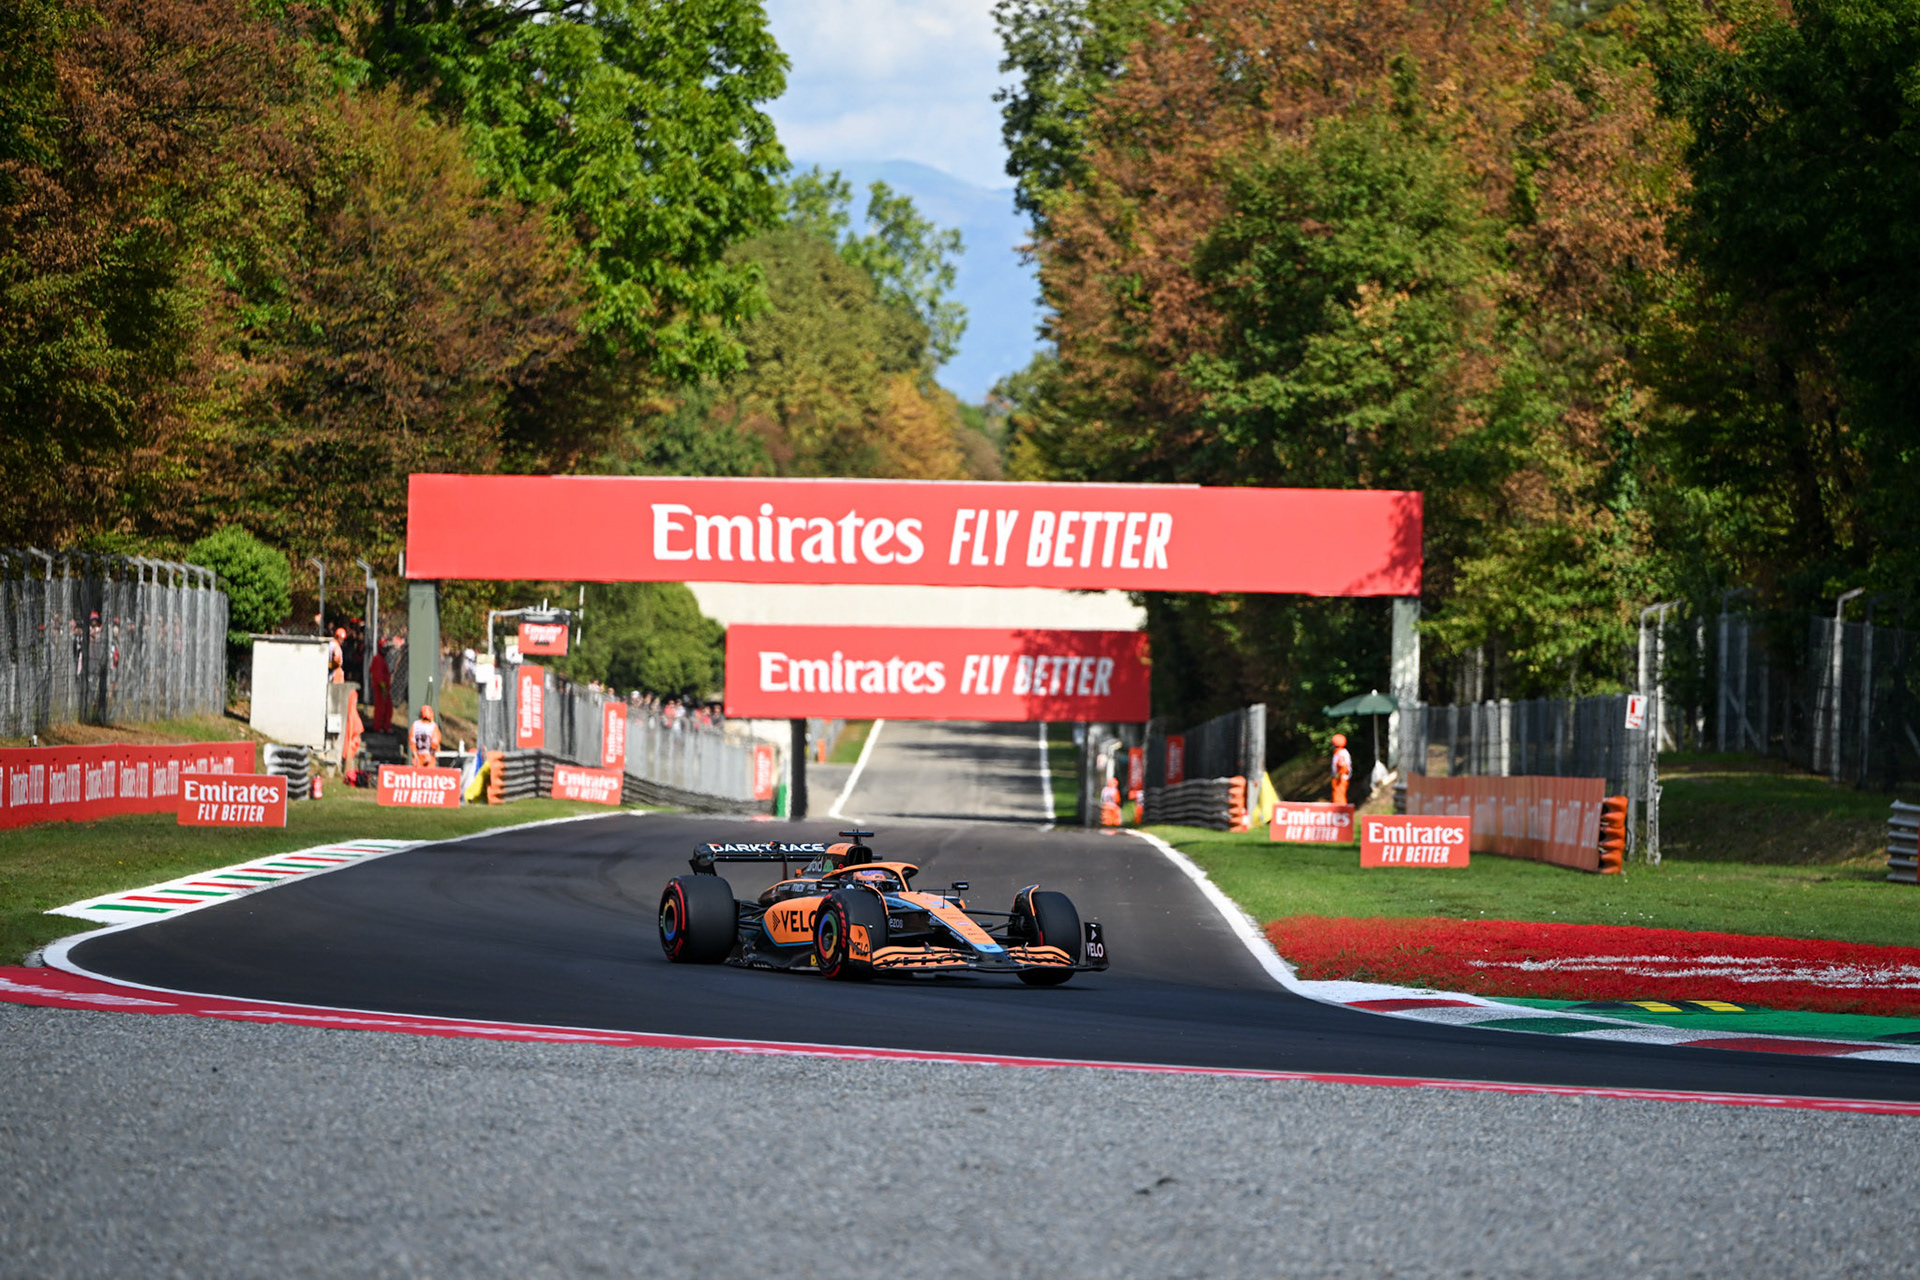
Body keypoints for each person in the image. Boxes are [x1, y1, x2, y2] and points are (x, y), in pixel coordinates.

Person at [368, 639, 393, 732]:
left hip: (384, 688)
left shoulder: (381, 659)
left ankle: (386, 726)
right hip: (380, 689)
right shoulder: (378, 659)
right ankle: (378, 727)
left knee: (388, 708)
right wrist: (383, 688)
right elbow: (378, 676)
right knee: (380, 708)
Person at [1330, 733, 1353, 805]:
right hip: (1339, 777)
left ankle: (1341, 812)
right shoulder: (1340, 752)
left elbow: (1344, 767)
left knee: (1339, 797)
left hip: (1340, 778)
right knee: (1337, 795)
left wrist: (1338, 775)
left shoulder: (1341, 753)